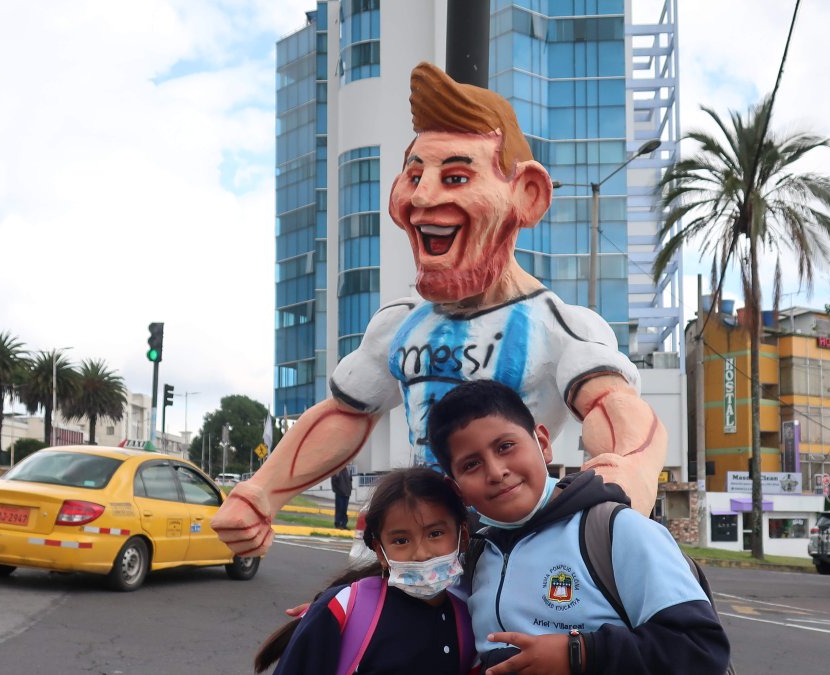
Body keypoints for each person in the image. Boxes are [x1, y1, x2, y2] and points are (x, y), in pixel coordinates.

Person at [212, 62, 669, 557]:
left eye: (455, 176)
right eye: (414, 176)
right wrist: (258, 494)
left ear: (526, 194)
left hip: (508, 558)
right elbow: (346, 414)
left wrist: (625, 476)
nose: (422, 197)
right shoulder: (399, 325)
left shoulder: (560, 329)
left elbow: (617, 412)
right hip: (405, 556)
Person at [427, 380, 730, 674]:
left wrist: (580, 654)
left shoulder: (617, 531)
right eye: (471, 465)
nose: (496, 471)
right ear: (457, 488)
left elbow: (701, 649)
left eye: (505, 446)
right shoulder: (475, 555)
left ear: (542, 444)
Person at [254, 468, 478, 675]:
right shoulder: (342, 609)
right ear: (381, 552)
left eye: (435, 534)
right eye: (401, 540)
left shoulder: (469, 621)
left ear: (463, 536)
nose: (421, 553)